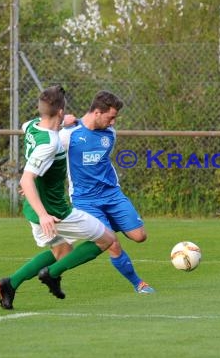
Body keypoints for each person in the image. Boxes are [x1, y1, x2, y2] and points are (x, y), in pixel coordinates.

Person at [0, 85, 117, 310]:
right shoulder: (50, 143)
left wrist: (63, 123)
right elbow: (26, 179)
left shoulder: (32, 126)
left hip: (33, 207)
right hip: (54, 212)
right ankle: (51, 275)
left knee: (63, 252)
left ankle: (9, 284)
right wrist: (44, 214)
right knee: (107, 239)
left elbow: (31, 134)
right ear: (61, 111)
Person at [59, 90, 155, 294]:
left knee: (139, 236)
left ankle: (102, 228)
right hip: (85, 200)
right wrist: (60, 122)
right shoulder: (68, 135)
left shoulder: (110, 134)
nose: (113, 123)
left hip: (112, 195)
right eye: (111, 117)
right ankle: (139, 284)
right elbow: (41, 136)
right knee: (112, 242)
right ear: (96, 112)